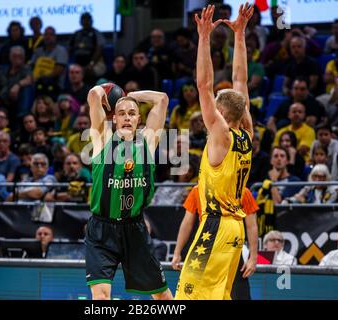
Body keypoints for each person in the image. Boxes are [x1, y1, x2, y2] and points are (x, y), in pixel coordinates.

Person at [175, 4, 254, 300]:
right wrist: (240, 34)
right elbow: (241, 83)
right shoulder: (247, 133)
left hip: (215, 225)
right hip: (234, 230)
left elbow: (204, 85)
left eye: (215, 105)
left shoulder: (220, 134)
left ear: (220, 112)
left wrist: (204, 36)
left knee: (187, 295)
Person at [85, 84, 171, 298]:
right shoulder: (102, 140)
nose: (126, 117)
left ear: (138, 120)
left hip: (135, 229)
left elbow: (161, 99)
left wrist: (132, 96)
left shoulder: (148, 143)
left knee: (161, 295)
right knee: (102, 295)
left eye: (132, 114)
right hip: (101, 229)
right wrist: (109, 92)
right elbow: (94, 95)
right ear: (113, 118)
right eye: (121, 113)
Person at [172, 186, 259, 300]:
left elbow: (251, 225)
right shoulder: (198, 190)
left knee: (238, 294)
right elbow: (187, 223)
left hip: (232, 252)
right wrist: (177, 252)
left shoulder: (242, 191)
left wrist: (253, 257)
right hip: (205, 250)